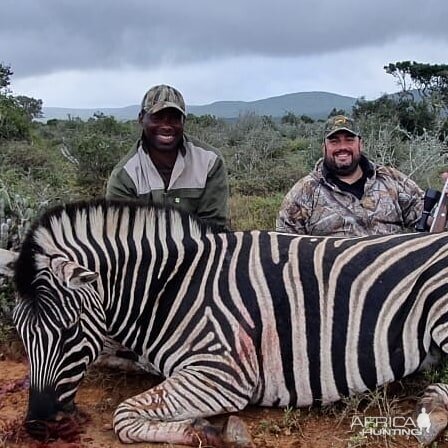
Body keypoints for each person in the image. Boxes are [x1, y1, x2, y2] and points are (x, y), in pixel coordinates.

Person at [276, 115, 424, 237]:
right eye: (334, 141)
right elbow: (286, 248)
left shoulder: (391, 179)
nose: (342, 147)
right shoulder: (304, 193)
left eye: (349, 140)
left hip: (394, 270)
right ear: (324, 148)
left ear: (361, 144)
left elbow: (426, 216)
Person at [106, 84, 229, 228]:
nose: (166, 126)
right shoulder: (125, 175)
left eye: (174, 118)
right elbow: (123, 235)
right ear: (141, 119)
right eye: (157, 118)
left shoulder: (210, 161)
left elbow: (214, 226)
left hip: (202, 247)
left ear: (183, 121)